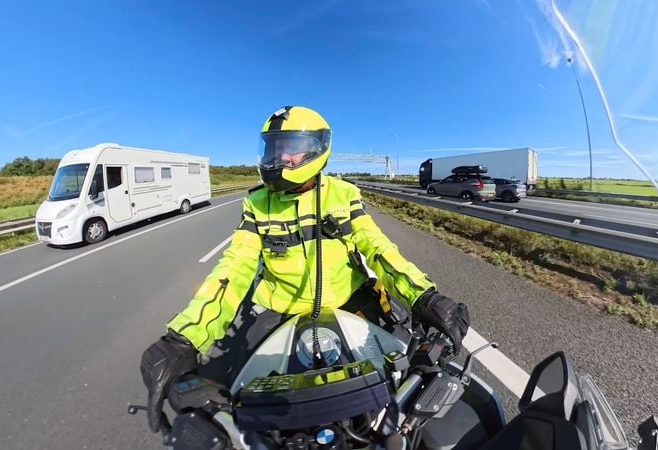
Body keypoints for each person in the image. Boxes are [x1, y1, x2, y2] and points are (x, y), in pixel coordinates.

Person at [140, 106, 470, 433]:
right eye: (274, 148)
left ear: (317, 149)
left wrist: (423, 296)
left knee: (397, 380)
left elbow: (378, 247)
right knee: (245, 399)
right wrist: (184, 338)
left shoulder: (344, 194)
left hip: (349, 302)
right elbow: (235, 266)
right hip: (279, 311)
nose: (279, 157)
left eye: (290, 148)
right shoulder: (256, 203)